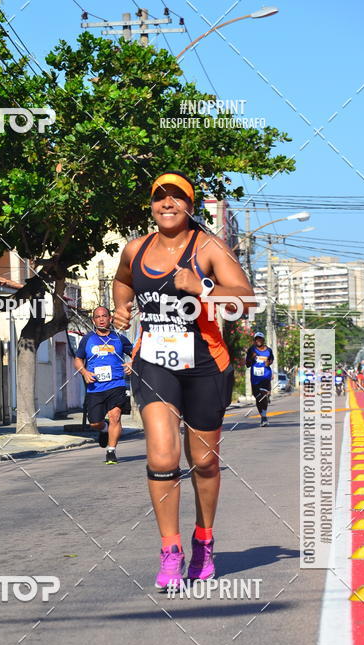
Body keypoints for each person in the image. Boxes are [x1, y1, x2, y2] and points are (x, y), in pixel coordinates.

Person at [112, 171, 254, 589]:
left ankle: (204, 540)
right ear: (152, 205)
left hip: (206, 364)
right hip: (154, 361)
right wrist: (122, 309)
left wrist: (203, 286)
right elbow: (122, 281)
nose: (167, 204)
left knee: (205, 461)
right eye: (160, 198)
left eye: (177, 197)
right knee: (161, 457)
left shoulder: (208, 247)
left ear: (190, 205)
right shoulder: (135, 248)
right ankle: (169, 549)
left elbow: (244, 300)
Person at [74, 306, 133, 463]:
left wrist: (132, 364)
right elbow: (78, 359)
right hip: (95, 387)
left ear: (110, 318)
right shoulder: (87, 339)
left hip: (116, 384)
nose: (101, 319)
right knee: (94, 422)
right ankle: (104, 429)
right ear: (93, 320)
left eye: (104, 316)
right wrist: (85, 372)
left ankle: (111, 451)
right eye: (98, 317)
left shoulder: (119, 339)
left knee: (115, 416)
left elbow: (136, 353)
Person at [245, 332, 274, 426]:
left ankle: (264, 417)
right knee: (258, 398)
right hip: (255, 378)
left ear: (263, 340)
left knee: (262, 395)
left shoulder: (269, 350)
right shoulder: (251, 350)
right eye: (256, 339)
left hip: (265, 376)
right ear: (254, 340)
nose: (258, 341)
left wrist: (268, 364)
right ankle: (262, 416)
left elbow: (271, 360)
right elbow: (247, 364)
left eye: (260, 339)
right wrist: (251, 358)